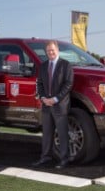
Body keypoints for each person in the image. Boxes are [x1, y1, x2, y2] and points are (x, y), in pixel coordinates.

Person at [33, 40, 74, 169]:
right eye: (48, 51)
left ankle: (64, 159)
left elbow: (68, 84)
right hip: (46, 105)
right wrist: (43, 97)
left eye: (53, 50)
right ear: (46, 52)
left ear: (57, 51)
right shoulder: (43, 66)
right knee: (46, 134)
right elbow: (39, 83)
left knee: (62, 133)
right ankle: (45, 157)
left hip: (60, 105)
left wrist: (56, 99)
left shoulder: (66, 65)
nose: (51, 52)